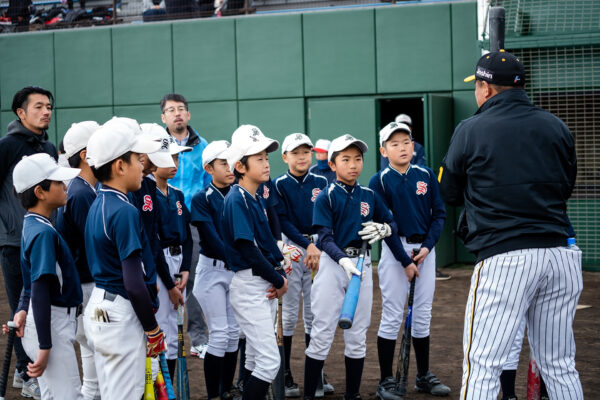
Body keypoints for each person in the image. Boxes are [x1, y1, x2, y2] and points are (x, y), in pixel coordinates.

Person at [439, 50, 582, 399]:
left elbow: (449, 191)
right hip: (561, 254)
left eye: (477, 85)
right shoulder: (556, 125)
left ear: (486, 88)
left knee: (483, 364)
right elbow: (566, 186)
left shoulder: (470, 129)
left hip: (505, 258)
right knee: (559, 364)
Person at [304, 134, 412, 400]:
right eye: (345, 159)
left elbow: (391, 222)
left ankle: (352, 395)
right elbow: (324, 238)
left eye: (357, 159)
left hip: (362, 265)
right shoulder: (327, 196)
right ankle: (308, 395)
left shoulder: (369, 195)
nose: (353, 164)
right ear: (332, 164)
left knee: (358, 334)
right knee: (322, 332)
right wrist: (342, 259)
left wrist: (386, 228)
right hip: (333, 265)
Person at [83, 117, 166, 399]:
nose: (143, 166)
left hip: (100, 307)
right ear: (120, 166)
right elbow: (133, 282)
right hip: (119, 311)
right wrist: (152, 329)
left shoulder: (99, 201)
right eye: (137, 159)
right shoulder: (124, 210)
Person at [370, 121, 449, 400]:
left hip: (425, 249)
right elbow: (385, 226)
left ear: (413, 145)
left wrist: (427, 247)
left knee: (423, 315)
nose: (402, 147)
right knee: (392, 315)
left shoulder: (426, 174)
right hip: (396, 251)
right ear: (384, 150)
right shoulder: (379, 181)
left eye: (406, 142)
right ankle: (386, 380)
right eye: (395, 144)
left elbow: (439, 214)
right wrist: (405, 260)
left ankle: (423, 375)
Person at [8, 153, 82, 399]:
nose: (65, 186)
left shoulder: (34, 224)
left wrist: (21, 307)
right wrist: (45, 345)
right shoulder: (43, 233)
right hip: (50, 324)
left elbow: (30, 281)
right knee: (69, 396)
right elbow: (39, 289)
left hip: (44, 321)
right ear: (40, 192)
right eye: (58, 182)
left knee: (53, 395)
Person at [222, 125, 289, 400]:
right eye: (258, 158)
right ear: (240, 166)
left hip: (261, 283)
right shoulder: (237, 198)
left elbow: (264, 244)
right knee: (270, 363)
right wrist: (278, 279)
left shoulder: (254, 196)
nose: (266, 163)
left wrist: (280, 266)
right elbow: (247, 249)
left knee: (253, 358)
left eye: (266, 157)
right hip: (250, 284)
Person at [0, 86, 57, 400]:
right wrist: (8, 227)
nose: (46, 111)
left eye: (48, 106)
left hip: (44, 237)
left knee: (39, 304)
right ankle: (25, 373)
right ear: (21, 113)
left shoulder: (48, 147)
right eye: (38, 106)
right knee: (22, 308)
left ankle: (27, 368)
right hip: (14, 243)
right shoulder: (7, 146)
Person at [272, 133, 331, 398]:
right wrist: (307, 245)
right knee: (288, 314)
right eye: (295, 152)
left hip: (318, 247)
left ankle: (316, 374)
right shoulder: (279, 184)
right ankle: (285, 374)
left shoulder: (321, 181)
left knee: (315, 312)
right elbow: (283, 222)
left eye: (306, 152)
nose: (302, 157)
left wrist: (317, 245)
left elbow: (326, 217)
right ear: (285, 157)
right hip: (292, 249)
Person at [160, 93, 211, 358]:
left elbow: (208, 186)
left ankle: (198, 338)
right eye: (171, 110)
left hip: (192, 224)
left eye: (181, 109)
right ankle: (163, 336)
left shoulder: (203, 147)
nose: (177, 113)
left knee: (190, 279)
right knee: (162, 280)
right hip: (161, 221)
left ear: (188, 114)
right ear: (163, 117)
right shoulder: (157, 146)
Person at [55, 120, 101, 400]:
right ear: (84, 155)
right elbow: (96, 245)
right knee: (98, 361)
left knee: (93, 363)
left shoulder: (81, 188)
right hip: (86, 286)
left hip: (83, 284)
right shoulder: (82, 192)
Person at [191, 140, 240, 400]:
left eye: (231, 161)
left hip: (236, 270)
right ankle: (213, 395)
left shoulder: (240, 193)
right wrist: (242, 259)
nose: (230, 167)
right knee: (220, 334)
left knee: (233, 334)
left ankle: (226, 390)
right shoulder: (202, 198)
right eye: (223, 163)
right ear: (209, 168)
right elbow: (211, 239)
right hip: (212, 270)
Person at [146, 123, 193, 379]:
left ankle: (169, 388)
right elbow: (153, 243)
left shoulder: (177, 194)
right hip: (159, 263)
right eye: (170, 157)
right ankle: (159, 387)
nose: (175, 163)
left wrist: (185, 268)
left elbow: (188, 237)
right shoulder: (146, 193)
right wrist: (169, 283)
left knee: (175, 331)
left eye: (177, 158)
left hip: (177, 262)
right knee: (162, 326)